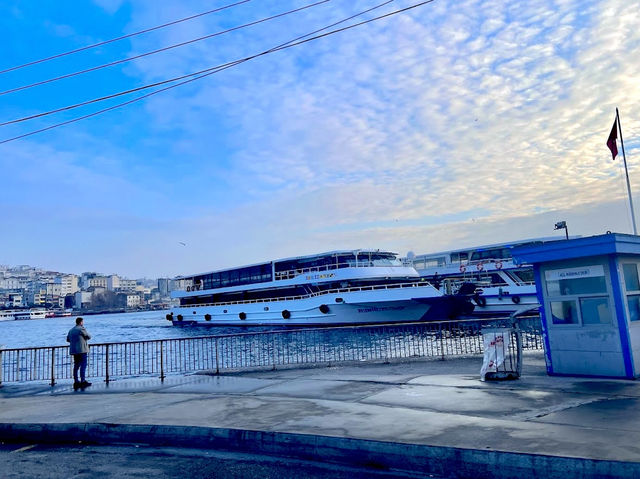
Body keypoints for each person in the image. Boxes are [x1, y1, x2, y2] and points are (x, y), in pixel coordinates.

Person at [66, 317, 92, 389]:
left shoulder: (71, 330)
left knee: (76, 366)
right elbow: (89, 336)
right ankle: (83, 381)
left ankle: (76, 381)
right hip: (82, 350)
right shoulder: (81, 329)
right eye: (82, 322)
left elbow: (68, 339)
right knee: (83, 365)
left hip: (74, 350)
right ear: (81, 322)